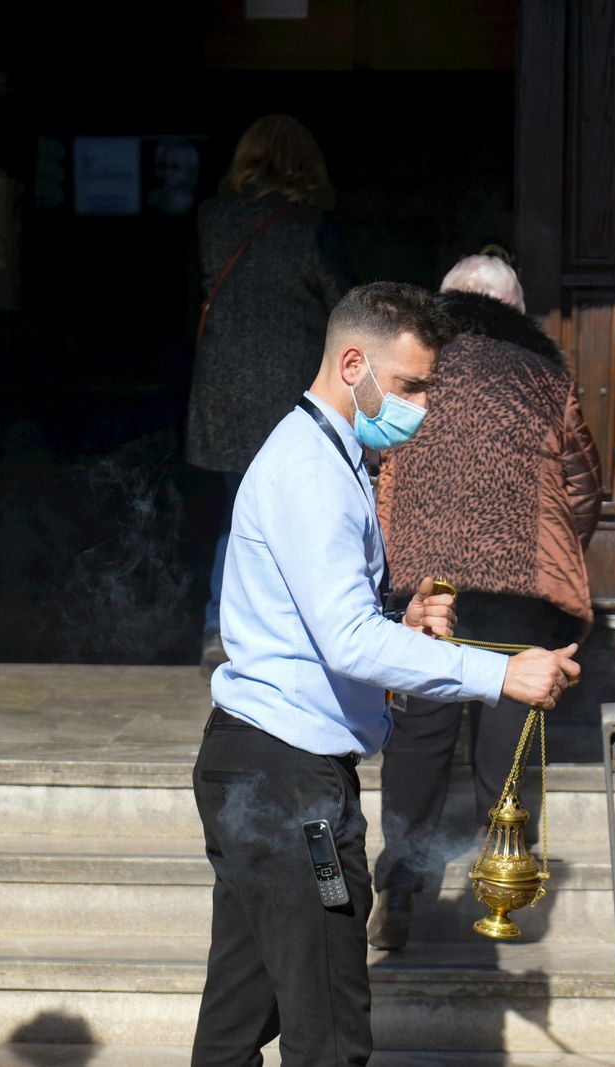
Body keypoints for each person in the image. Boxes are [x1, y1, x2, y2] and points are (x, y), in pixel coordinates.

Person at [192, 282, 581, 1066]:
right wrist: (498, 676)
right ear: (353, 362)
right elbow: (345, 642)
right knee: (329, 1024)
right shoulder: (311, 469)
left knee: (237, 1019)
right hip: (288, 783)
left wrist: (400, 628)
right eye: (407, 386)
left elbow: (333, 626)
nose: (418, 408)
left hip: (266, 770)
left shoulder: (334, 458)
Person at [366, 251, 601, 950]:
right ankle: (505, 887)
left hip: (426, 583)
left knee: (418, 738)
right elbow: (583, 484)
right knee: (511, 738)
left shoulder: (415, 367)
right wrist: (557, 550)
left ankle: (400, 893)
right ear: (516, 311)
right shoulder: (545, 375)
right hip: (521, 585)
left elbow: (375, 463)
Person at [186, 114, 356, 673]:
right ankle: (290, 627)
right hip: (288, 395)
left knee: (239, 512)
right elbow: (348, 307)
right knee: (299, 510)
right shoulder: (310, 228)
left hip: (223, 394)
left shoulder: (213, 220)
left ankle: (219, 623)